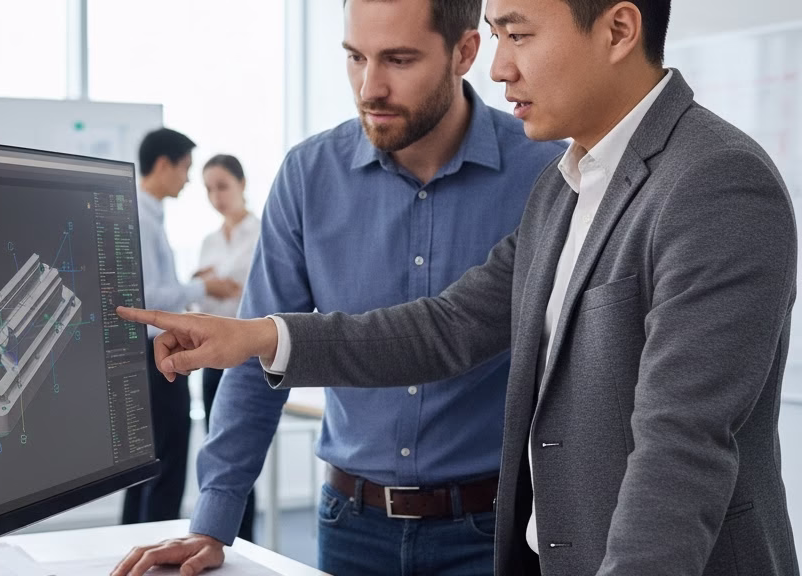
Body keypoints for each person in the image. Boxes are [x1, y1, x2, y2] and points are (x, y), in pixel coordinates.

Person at [117, 0, 802, 574]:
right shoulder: (567, 187)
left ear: (619, 31)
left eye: (520, 34)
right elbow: (446, 328)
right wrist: (260, 336)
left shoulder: (713, 183)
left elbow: (677, 454)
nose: (502, 67)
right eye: (500, 37)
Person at [110, 0, 564, 573]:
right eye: (356, 57)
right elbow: (254, 357)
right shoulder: (308, 176)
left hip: (491, 529)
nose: (370, 87)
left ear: (465, 53)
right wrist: (213, 520)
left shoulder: (544, 173)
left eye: (398, 59)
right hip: (351, 526)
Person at [122, 128, 242, 525]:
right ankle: (150, 549)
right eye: (186, 169)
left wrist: (191, 283)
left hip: (154, 357)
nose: (188, 181)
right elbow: (149, 299)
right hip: (154, 360)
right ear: (163, 165)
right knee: (163, 467)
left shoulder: (146, 214)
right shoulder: (143, 216)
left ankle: (133, 547)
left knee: (145, 467)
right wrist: (204, 285)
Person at [195, 154, 261, 542]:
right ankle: (215, 533)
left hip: (247, 355)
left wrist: (214, 283)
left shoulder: (262, 232)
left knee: (241, 451)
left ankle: (245, 541)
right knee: (215, 450)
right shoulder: (208, 241)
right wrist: (216, 286)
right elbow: (206, 299)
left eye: (222, 186)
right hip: (210, 355)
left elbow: (254, 293)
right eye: (208, 189)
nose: (216, 196)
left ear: (241, 184)